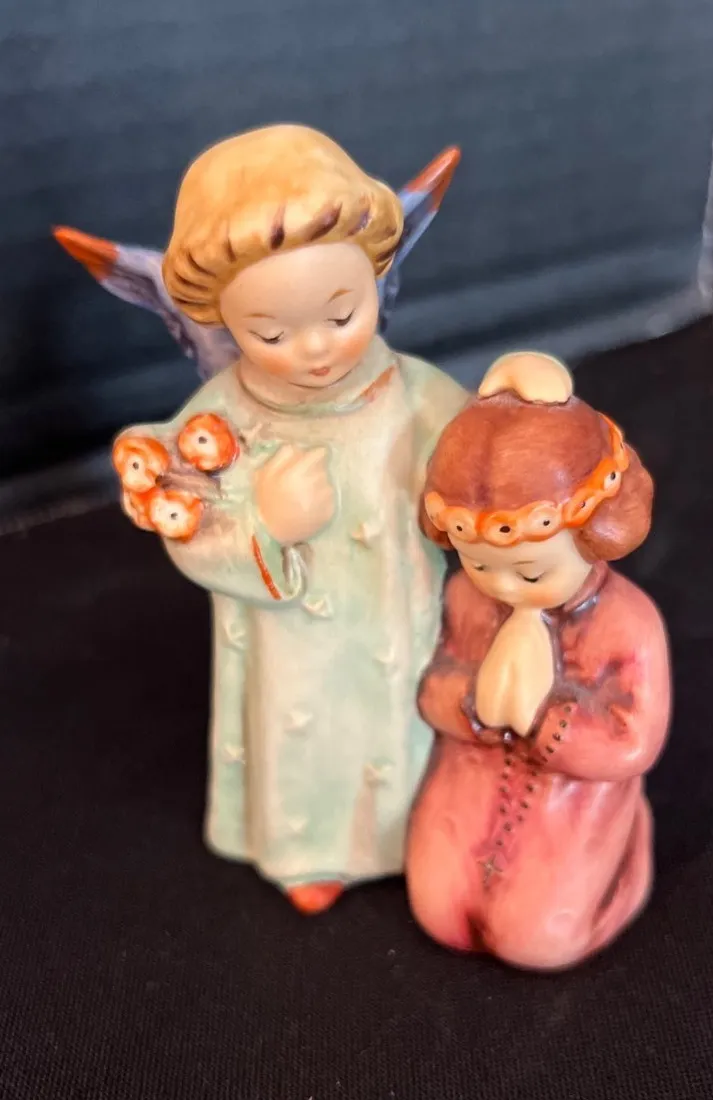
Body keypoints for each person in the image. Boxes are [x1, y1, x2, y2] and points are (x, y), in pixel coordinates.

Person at [111, 124, 467, 913]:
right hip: (293, 645)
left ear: (375, 282)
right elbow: (184, 516)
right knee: (304, 730)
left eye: (342, 315)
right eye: (270, 333)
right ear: (226, 324)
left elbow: (482, 459)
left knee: (408, 724)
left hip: (399, 619)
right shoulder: (225, 416)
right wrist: (264, 523)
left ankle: (415, 830)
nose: (313, 349)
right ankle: (312, 847)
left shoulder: (415, 391)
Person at [406, 351, 671, 968]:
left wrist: (544, 718)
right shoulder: (466, 600)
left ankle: (620, 865)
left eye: (529, 571)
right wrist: (471, 703)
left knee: (538, 942)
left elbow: (634, 739)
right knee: (438, 912)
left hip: (571, 802)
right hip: (469, 781)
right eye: (479, 564)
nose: (502, 586)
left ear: (593, 534)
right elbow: (432, 683)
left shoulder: (627, 622)